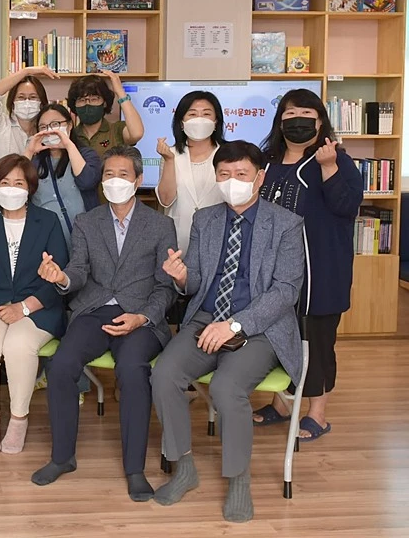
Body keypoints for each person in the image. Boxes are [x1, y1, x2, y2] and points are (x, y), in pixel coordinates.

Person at [152, 140, 304, 523]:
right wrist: (181, 277)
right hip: (206, 319)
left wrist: (235, 325)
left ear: (259, 177)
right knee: (164, 374)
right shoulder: (205, 219)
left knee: (226, 387)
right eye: (224, 174)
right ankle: (184, 467)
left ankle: (238, 480)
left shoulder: (286, 224)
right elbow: (196, 282)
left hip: (260, 327)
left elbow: (286, 291)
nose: (232, 181)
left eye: (241, 174)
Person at [32, 145, 177, 503]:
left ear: (138, 180)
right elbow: (79, 270)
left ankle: (134, 469)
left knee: (132, 369)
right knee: (61, 365)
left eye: (123, 175)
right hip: (94, 310)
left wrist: (142, 317)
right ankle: (62, 457)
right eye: (108, 174)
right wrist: (61, 278)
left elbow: (166, 287)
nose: (114, 181)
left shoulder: (161, 225)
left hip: (141, 317)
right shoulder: (87, 221)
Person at [252, 89, 363, 441]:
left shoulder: (337, 160)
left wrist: (328, 167)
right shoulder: (266, 161)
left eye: (306, 113)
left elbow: (347, 206)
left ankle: (317, 413)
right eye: (289, 113)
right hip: (273, 270)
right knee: (278, 335)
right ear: (279, 120)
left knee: (315, 340)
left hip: (320, 270)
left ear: (319, 121)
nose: (296, 120)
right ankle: (282, 404)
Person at [0, 154, 68, 456]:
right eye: (5, 182)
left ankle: (19, 419)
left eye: (19, 183)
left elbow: (59, 276)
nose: (11, 188)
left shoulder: (48, 222)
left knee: (18, 345)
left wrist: (23, 308)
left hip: (39, 307)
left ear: (30, 188)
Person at [155, 90, 227, 255]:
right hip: (178, 241)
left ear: (216, 121)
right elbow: (165, 201)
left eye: (206, 114)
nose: (199, 119)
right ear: (181, 123)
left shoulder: (229, 154)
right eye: (192, 114)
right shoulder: (170, 154)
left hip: (218, 239)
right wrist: (169, 161)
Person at [0, 66, 57, 214]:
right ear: (12, 102)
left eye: (33, 97)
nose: (27, 102)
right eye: (21, 97)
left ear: (42, 103)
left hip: (30, 214)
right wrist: (26, 71)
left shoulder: (46, 134)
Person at [28, 104, 101, 248]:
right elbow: (16, 185)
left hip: (85, 238)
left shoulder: (86, 154)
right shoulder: (34, 162)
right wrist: (29, 152)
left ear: (69, 125)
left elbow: (87, 182)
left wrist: (68, 145)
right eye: (43, 127)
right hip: (47, 239)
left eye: (55, 124)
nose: (50, 130)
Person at [67, 71, 144, 159]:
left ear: (104, 103)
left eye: (94, 99)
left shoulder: (116, 130)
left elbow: (136, 134)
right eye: (81, 100)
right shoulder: (70, 135)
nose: (88, 103)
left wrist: (120, 92)